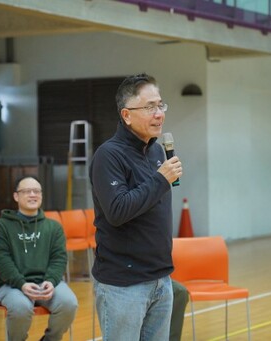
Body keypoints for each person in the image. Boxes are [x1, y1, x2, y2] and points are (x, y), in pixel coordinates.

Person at [90, 72, 183, 341]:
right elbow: (118, 211)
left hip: (160, 278)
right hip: (123, 285)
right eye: (150, 107)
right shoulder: (109, 155)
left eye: (161, 105)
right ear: (127, 115)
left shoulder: (157, 151)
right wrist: (161, 179)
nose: (159, 114)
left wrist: (161, 179)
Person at [0, 175, 78, 341]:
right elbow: (1, 260)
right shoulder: (1, 227)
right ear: (16, 196)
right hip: (11, 285)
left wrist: (51, 281)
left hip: (46, 283)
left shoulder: (54, 227)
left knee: (69, 303)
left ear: (41, 196)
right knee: (21, 307)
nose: (33, 195)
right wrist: (21, 284)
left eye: (36, 191)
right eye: (27, 191)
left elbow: (59, 259)